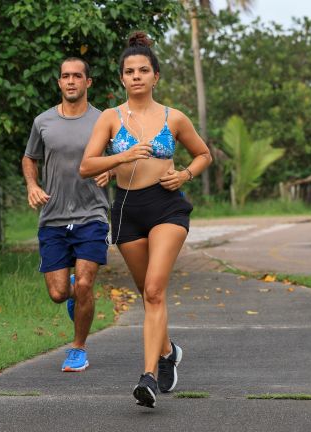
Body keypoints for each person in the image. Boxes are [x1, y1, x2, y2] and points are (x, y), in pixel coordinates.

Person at [80, 32, 212, 408]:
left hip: (167, 206)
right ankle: (169, 351)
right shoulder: (109, 118)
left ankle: (149, 376)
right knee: (146, 293)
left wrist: (184, 174)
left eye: (143, 70)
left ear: (156, 76)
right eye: (129, 71)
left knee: (155, 290)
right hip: (126, 210)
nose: (136, 76)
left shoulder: (175, 117)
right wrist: (120, 158)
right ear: (121, 78)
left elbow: (203, 154)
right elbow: (86, 166)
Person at [22, 57, 111, 373]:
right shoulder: (42, 122)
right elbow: (30, 158)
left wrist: (111, 170)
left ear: (88, 82)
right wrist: (32, 184)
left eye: (77, 76)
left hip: (92, 215)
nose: (71, 81)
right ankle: (74, 290)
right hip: (53, 218)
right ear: (59, 83)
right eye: (65, 76)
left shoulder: (104, 120)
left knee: (86, 285)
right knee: (59, 293)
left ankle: (78, 348)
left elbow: (122, 157)